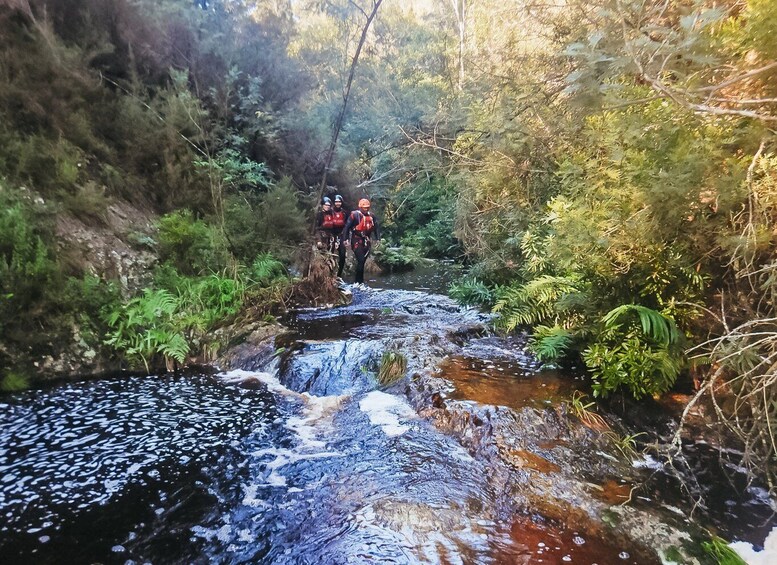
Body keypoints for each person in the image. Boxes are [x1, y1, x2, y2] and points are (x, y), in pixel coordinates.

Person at [341, 198, 380, 284]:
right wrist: (345, 239)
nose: (366, 209)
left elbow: (376, 228)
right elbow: (347, 227)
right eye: (364, 207)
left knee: (362, 262)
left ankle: (359, 281)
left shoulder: (372, 216)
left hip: (367, 241)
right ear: (360, 207)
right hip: (356, 240)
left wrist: (378, 239)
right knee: (361, 260)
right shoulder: (354, 215)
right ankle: (358, 282)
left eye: (367, 207)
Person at [331, 195, 349, 277]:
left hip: (341, 235)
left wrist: (346, 238)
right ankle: (329, 274)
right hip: (331, 235)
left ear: (341, 203)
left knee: (342, 256)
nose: (337, 203)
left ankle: (339, 275)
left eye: (339, 202)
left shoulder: (344, 213)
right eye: (336, 202)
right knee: (330, 254)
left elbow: (347, 226)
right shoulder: (330, 212)